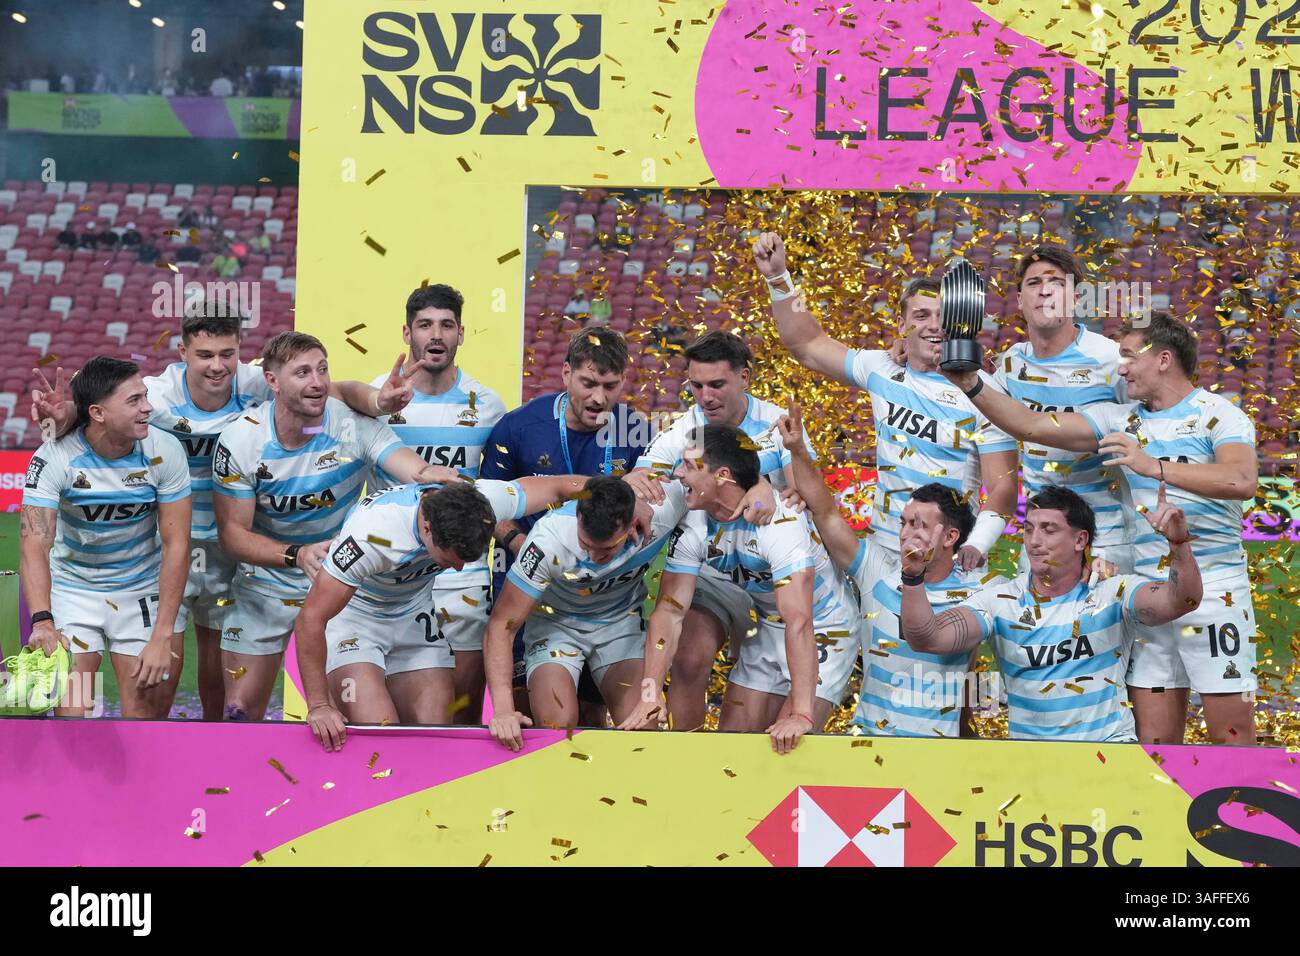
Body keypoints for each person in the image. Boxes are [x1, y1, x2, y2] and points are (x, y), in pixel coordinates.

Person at [29, 315, 413, 720]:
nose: (218, 365)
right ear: (183, 354)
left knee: (216, 668)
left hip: (230, 546)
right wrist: (66, 414)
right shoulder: (154, 394)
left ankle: (216, 747)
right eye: (205, 355)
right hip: (167, 549)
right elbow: (104, 412)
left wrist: (376, 402)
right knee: (112, 695)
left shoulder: (255, 381)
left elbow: (333, 390)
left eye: (228, 354)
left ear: (240, 353)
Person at [947, 312, 1259, 744]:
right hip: (1152, 593)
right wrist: (972, 383)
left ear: (1164, 359)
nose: (1122, 367)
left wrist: (1153, 467)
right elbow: (1031, 425)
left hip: (1217, 592)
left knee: (1232, 735)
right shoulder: (1119, 419)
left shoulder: (1220, 415)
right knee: (1155, 742)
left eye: (1129, 356)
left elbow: (1241, 481)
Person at [211, 331, 458, 721]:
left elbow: (410, 466)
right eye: (303, 372)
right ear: (272, 382)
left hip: (342, 584)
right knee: (238, 710)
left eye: (323, 370)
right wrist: (296, 555)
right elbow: (233, 536)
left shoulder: (351, 425)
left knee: (358, 719)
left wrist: (432, 474)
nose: (317, 382)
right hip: (266, 582)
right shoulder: (241, 440)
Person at [753, 232, 1019, 565]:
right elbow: (806, 344)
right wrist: (779, 278)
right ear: (902, 325)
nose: (934, 326)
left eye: (943, 316)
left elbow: (1003, 488)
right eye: (921, 316)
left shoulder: (985, 393)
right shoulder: (880, 367)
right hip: (883, 555)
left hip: (948, 561)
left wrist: (975, 545)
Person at [297, 474, 596, 751]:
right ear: (427, 529)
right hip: (356, 618)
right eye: (450, 559)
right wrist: (319, 704)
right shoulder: (371, 535)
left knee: (435, 736)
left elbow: (561, 485)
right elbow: (311, 618)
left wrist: (628, 497)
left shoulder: (483, 499)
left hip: (412, 613)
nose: (459, 568)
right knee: (381, 734)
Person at [619, 424, 859, 753]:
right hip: (769, 624)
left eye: (689, 466)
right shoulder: (694, 525)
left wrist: (801, 713)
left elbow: (799, 621)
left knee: (789, 746)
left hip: (824, 628)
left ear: (722, 476)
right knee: (732, 751)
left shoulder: (780, 524)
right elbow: (670, 612)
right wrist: (650, 691)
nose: (678, 474)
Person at [898, 486, 1202, 742]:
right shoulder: (1000, 600)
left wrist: (1178, 543)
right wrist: (912, 577)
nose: (1034, 541)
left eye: (1049, 530)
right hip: (1033, 766)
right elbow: (929, 638)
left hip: (1109, 759)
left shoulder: (1111, 591)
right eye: (1029, 530)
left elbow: (1182, 600)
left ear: (1080, 540)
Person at [623, 330, 815, 732]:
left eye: (717, 385)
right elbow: (648, 473)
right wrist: (639, 479)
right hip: (717, 565)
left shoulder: (778, 424)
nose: (705, 397)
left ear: (744, 378)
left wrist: (764, 485)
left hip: (773, 574)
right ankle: (682, 753)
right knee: (690, 658)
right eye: (696, 385)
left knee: (769, 720)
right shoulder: (688, 431)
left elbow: (807, 492)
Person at [775, 401, 1001, 737]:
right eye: (905, 523)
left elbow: (950, 654)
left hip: (938, 754)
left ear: (951, 536)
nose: (908, 533)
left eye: (921, 525)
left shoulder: (982, 592)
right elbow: (825, 512)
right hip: (869, 747)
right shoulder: (877, 570)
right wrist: (797, 451)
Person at [480, 328, 649, 721]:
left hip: (606, 591)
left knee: (595, 714)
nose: (599, 398)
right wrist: (520, 542)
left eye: (610, 386)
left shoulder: (636, 429)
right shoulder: (518, 427)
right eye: (588, 383)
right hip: (533, 584)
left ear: (624, 380)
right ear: (566, 373)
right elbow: (490, 505)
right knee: (540, 720)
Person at [20, 357, 191, 718]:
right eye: (134, 401)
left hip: (139, 594)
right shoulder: (53, 457)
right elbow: (35, 543)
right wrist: (43, 620)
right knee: (74, 712)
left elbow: (177, 545)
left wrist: (162, 634)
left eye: (145, 396)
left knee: (142, 720)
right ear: (97, 412)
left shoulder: (165, 450)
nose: (148, 407)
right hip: (74, 594)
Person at [366, 284, 507, 724]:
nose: (436, 335)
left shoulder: (487, 405)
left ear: (461, 334)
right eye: (425, 325)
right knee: (393, 714)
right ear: (406, 333)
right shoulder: (376, 399)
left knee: (458, 714)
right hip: (389, 570)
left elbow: (499, 487)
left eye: (447, 325)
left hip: (458, 570)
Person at [483, 476, 681, 749]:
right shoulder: (547, 541)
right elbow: (502, 625)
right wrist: (503, 710)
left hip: (621, 623)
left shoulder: (663, 512)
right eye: (586, 545)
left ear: (633, 520)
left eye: (608, 549)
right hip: (556, 625)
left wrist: (759, 490)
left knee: (643, 727)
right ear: (577, 517)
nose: (595, 558)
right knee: (556, 726)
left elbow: (709, 467)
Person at [992, 244, 1132, 570]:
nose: (1045, 292)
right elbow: (969, 402)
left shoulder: (1111, 359)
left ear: (1077, 299)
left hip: (1107, 539)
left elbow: (1149, 431)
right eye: (1034, 283)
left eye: (1057, 283)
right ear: (1020, 301)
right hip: (1042, 538)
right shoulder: (1011, 364)